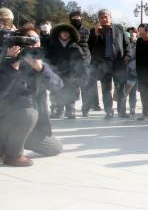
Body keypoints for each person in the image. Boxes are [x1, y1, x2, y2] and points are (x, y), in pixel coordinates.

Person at [0, 25, 64, 166]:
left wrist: (40, 69)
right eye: (30, 39)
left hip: (31, 125)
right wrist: (10, 66)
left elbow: (58, 86)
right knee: (29, 113)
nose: (35, 42)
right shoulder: (5, 61)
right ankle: (13, 155)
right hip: (7, 122)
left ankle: (13, 142)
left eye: (37, 39)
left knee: (55, 148)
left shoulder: (39, 63)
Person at [88, 9, 130, 119]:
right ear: (98, 19)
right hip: (103, 64)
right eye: (101, 17)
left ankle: (122, 111)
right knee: (106, 89)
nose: (104, 19)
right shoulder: (94, 31)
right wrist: (96, 34)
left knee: (120, 88)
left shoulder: (119, 28)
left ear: (110, 18)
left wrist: (127, 55)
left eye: (106, 16)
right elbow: (90, 47)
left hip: (118, 63)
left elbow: (127, 44)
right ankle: (109, 112)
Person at [46, 24, 88, 119]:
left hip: (71, 73)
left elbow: (81, 62)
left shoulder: (75, 47)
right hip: (56, 72)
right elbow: (48, 59)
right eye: (62, 32)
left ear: (70, 34)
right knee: (56, 91)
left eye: (67, 32)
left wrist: (82, 74)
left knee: (71, 91)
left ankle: (70, 110)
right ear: (59, 34)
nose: (65, 34)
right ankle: (57, 110)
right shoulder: (52, 46)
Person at [68, 11, 96, 116]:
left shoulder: (87, 30)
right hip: (71, 60)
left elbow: (91, 45)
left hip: (85, 59)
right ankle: (71, 110)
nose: (76, 19)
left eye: (78, 17)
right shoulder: (67, 30)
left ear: (81, 18)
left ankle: (86, 109)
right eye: (73, 17)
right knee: (72, 86)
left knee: (86, 86)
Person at [125, 27, 138, 117]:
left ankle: (132, 108)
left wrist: (131, 66)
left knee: (132, 91)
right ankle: (122, 108)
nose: (131, 34)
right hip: (124, 71)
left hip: (134, 71)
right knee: (123, 91)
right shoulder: (125, 43)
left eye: (133, 32)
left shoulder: (139, 43)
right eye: (129, 33)